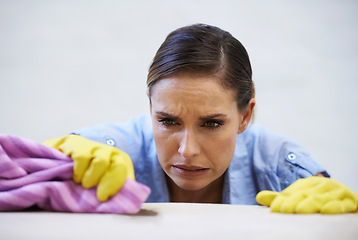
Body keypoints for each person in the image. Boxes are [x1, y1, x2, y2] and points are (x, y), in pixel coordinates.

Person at [44, 24, 357, 214]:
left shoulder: (276, 167)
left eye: (212, 123)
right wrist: (46, 165)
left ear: (245, 115)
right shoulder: (112, 152)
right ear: (150, 108)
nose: (187, 150)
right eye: (167, 121)